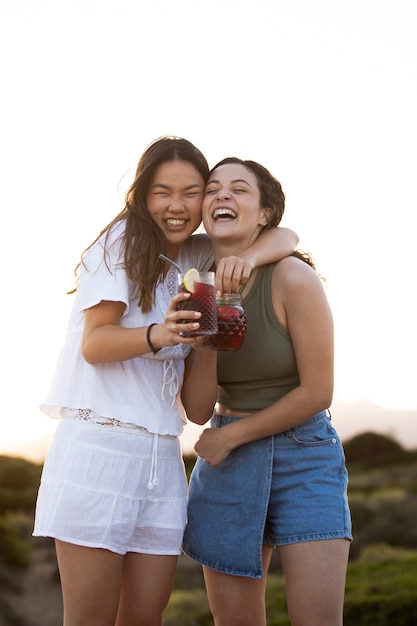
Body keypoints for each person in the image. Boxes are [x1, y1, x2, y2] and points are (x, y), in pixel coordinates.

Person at [33, 137, 299, 626]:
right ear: (141, 195)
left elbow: (288, 237)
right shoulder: (117, 245)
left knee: (144, 617)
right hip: (98, 450)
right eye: (162, 192)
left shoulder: (196, 253)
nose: (176, 207)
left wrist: (208, 337)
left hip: (162, 459)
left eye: (191, 192)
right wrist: (160, 334)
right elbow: (96, 344)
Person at [182, 157, 352, 626]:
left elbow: (319, 391)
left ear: (264, 215)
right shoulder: (194, 281)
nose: (222, 196)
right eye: (213, 188)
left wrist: (233, 436)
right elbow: (198, 410)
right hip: (227, 461)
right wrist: (207, 334)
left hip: (303, 453)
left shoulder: (293, 278)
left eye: (239, 189)